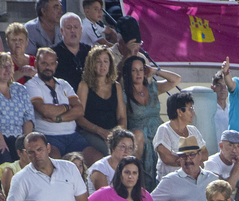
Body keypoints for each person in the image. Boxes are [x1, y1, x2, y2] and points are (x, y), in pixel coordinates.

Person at [122, 54, 180, 190]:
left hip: (159, 133)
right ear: (128, 73)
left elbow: (176, 80)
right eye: (134, 70)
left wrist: (155, 71)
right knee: (140, 138)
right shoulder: (124, 94)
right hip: (140, 137)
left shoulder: (153, 88)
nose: (138, 73)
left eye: (141, 69)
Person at [25, 46, 92, 159]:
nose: (48, 67)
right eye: (44, 63)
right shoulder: (31, 84)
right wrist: (67, 107)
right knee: (55, 163)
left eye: (51, 64)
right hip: (48, 136)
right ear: (36, 63)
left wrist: (58, 118)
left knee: (95, 158)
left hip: (72, 135)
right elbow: (45, 110)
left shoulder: (64, 84)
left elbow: (79, 111)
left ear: (56, 65)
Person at [76, 46, 126, 160]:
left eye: (105, 61)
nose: (102, 65)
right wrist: (100, 131)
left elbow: (122, 117)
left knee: (126, 151)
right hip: (91, 132)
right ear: (91, 64)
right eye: (98, 61)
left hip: (112, 133)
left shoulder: (116, 86)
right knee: (110, 152)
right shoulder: (84, 86)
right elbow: (79, 117)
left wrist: (117, 134)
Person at [153, 91, 209, 181]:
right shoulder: (164, 130)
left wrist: (185, 161)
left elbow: (205, 154)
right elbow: (166, 158)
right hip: (169, 182)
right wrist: (192, 161)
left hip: (192, 180)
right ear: (179, 112)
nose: (193, 112)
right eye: (190, 109)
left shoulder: (193, 130)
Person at [86, 127, 132, 193]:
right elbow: (107, 197)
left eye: (130, 148)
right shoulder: (100, 168)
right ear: (113, 147)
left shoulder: (133, 167)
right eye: (123, 146)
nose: (127, 151)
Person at [53, 13, 91, 91]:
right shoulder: (52, 54)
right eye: (68, 27)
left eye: (76, 27)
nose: (73, 31)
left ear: (81, 30)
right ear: (61, 31)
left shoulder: (90, 52)